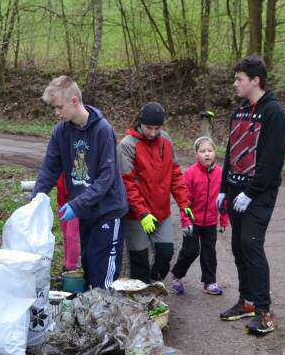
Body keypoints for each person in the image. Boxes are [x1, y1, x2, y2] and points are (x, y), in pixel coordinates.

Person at [31, 75, 128, 290]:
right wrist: (36, 199)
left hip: (108, 212)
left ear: (74, 101)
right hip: (86, 213)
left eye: (59, 107)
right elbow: (50, 167)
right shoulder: (62, 131)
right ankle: (96, 319)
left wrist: (76, 204)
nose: (57, 113)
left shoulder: (103, 130)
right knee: (90, 268)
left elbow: (106, 178)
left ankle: (108, 319)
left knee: (103, 279)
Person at [218, 55, 285, 335]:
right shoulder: (240, 112)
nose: (235, 84)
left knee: (251, 244)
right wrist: (224, 189)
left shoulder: (274, 113)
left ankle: (264, 310)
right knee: (237, 245)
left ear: (255, 80)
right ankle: (246, 301)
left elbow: (272, 161)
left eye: (239, 79)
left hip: (258, 194)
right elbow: (231, 152)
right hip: (236, 191)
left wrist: (251, 192)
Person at [117, 102, 192, 283]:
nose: (152, 133)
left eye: (156, 128)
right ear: (140, 123)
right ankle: (142, 299)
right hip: (136, 215)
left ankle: (153, 286)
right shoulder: (127, 145)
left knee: (165, 254)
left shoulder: (165, 140)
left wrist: (184, 203)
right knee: (140, 261)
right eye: (148, 128)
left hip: (161, 212)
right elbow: (127, 184)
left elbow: (175, 173)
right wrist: (142, 213)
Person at [168, 136, 228, 295]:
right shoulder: (190, 174)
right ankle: (176, 274)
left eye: (210, 150)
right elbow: (184, 200)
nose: (207, 154)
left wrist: (223, 219)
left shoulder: (221, 174)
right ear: (196, 154)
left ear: (215, 153)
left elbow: (224, 199)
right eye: (203, 151)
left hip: (210, 221)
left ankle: (209, 282)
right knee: (191, 251)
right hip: (192, 221)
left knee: (209, 252)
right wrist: (185, 220)